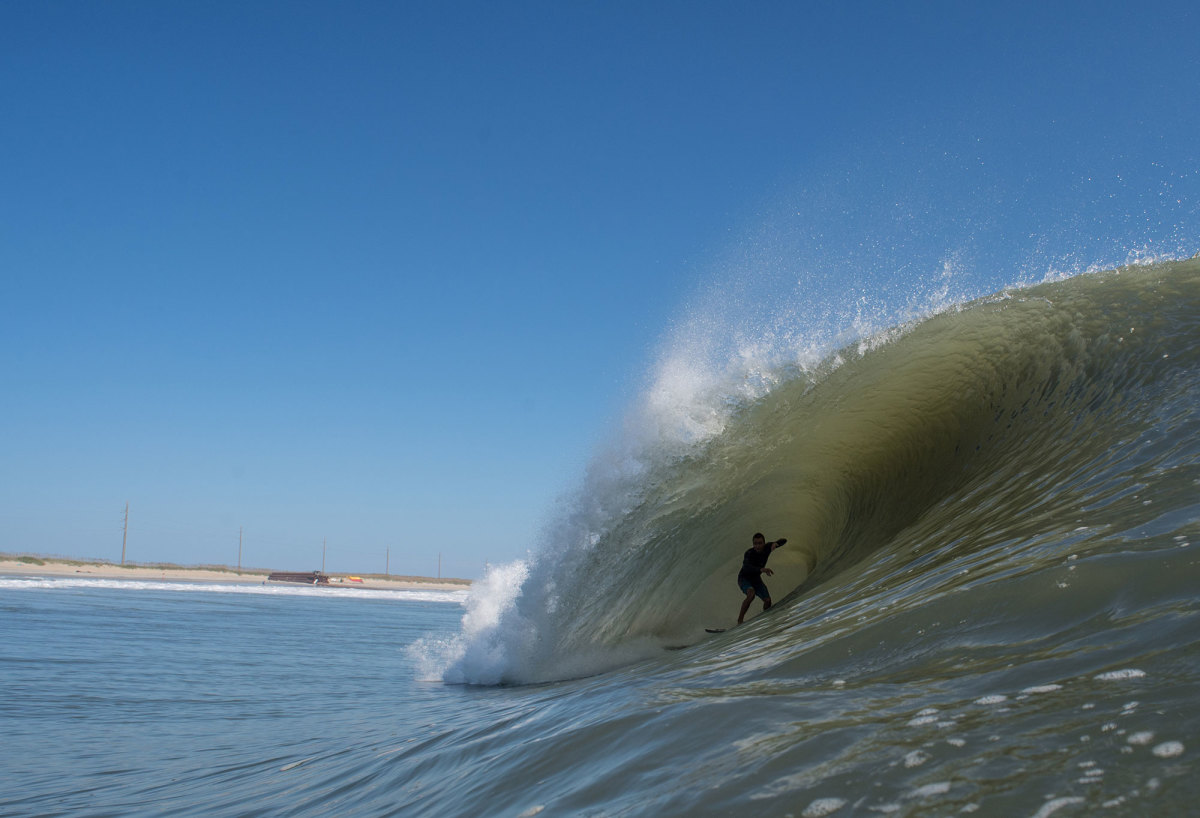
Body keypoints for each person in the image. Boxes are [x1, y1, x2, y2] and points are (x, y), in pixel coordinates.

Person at [737, 532, 787, 624]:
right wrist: (761, 569)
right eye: (755, 543)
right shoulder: (749, 553)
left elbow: (784, 540)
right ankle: (740, 621)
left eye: (760, 543)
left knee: (768, 601)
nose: (757, 546)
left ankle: (766, 618)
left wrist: (776, 543)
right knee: (751, 594)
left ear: (764, 543)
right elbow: (746, 567)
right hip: (744, 578)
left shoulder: (768, 547)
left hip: (756, 579)